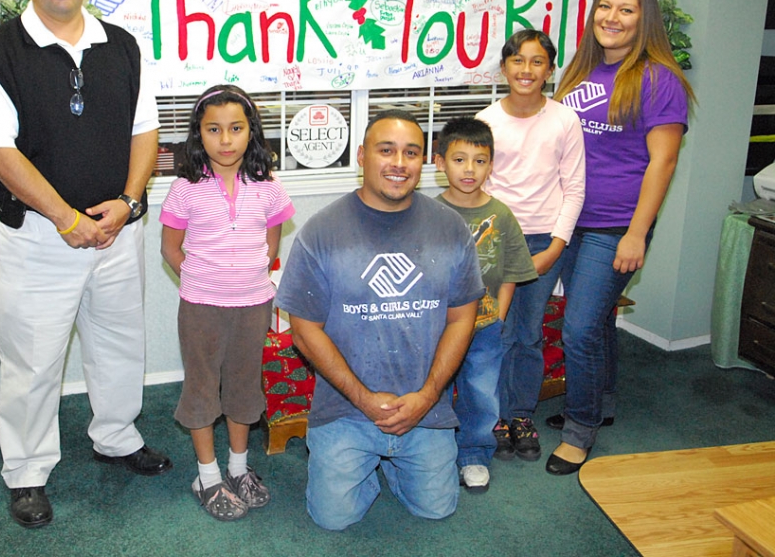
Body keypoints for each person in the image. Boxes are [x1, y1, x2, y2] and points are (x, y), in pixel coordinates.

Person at [0, 0, 171, 528]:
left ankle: (116, 435)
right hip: (36, 240)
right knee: (31, 360)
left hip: (115, 231)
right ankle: (26, 470)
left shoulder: (124, 46)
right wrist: (63, 217)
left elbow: (145, 130)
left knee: (119, 343)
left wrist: (130, 202)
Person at [274, 110, 485, 531]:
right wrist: (365, 399)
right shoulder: (321, 232)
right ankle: (365, 468)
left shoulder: (451, 228)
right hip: (345, 409)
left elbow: (463, 318)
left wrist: (426, 397)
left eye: (411, 153)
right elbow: (303, 329)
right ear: (361, 157)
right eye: (385, 150)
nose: (398, 163)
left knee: (437, 508)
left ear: (423, 162)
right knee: (333, 519)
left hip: (424, 407)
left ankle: (394, 466)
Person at [547, 0, 695, 475]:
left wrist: (636, 233)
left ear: (644, 18)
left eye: (626, 9)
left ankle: (579, 429)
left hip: (615, 223)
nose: (611, 18)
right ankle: (602, 403)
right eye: (605, 7)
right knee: (600, 320)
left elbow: (663, 162)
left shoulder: (659, 79)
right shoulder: (581, 72)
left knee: (580, 326)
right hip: (569, 216)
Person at [160, 85, 294, 521]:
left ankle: (237, 468)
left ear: (250, 132)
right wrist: (205, 280)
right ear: (199, 135)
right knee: (202, 387)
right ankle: (208, 475)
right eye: (214, 130)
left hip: (253, 304)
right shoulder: (185, 188)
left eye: (236, 129)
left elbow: (270, 241)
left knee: (243, 385)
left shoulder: (268, 186)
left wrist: (249, 278)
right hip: (201, 305)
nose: (226, 139)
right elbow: (170, 249)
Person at [476, 30, 585, 462]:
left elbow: (574, 189)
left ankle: (520, 415)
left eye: (537, 61)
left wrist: (557, 246)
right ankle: (491, 418)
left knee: (527, 334)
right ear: (504, 68)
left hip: (544, 240)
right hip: (497, 240)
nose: (526, 70)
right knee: (492, 332)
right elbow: (477, 187)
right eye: (517, 61)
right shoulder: (486, 122)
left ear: (550, 69)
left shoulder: (564, 120)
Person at [434, 117, 537, 493]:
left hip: (486, 326)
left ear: (491, 165)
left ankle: (474, 454)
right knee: (436, 389)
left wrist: (500, 316)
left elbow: (510, 272)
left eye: (480, 160)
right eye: (459, 159)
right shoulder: (427, 214)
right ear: (440, 162)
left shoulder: (503, 215)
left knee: (481, 392)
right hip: (437, 329)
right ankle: (436, 452)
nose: (469, 169)